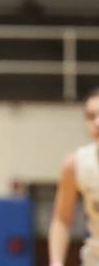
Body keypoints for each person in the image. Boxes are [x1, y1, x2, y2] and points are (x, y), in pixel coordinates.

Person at [48, 88, 99, 266]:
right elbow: (62, 218)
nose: (97, 122)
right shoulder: (75, 164)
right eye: (91, 116)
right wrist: (56, 262)